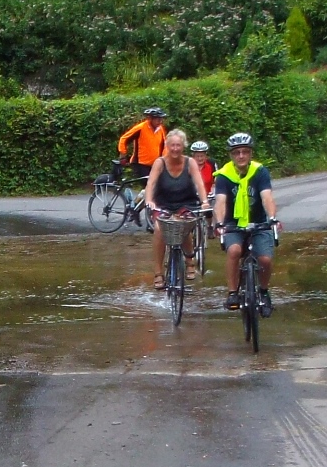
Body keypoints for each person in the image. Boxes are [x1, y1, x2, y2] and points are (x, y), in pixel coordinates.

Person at [214, 132, 281, 315]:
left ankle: (264, 292)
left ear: (251, 153)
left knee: (265, 259)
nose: (241, 156)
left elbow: (267, 197)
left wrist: (272, 217)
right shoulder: (223, 175)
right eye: (237, 152)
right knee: (234, 251)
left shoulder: (260, 172)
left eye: (245, 152)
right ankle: (233, 292)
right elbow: (220, 201)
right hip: (232, 224)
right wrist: (219, 223)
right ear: (231, 155)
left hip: (258, 222)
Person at [145, 129, 211, 290]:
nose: (175, 149)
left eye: (178, 145)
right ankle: (158, 272)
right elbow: (151, 184)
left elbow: (199, 184)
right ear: (167, 146)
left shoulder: (190, 162)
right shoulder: (160, 163)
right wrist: (149, 201)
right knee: (160, 230)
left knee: (184, 225)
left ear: (183, 146)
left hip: (186, 203)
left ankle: (189, 261)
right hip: (163, 204)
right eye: (172, 145)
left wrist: (204, 201)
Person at [118, 107, 167, 180]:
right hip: (140, 164)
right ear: (150, 118)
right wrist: (123, 155)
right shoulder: (140, 128)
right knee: (149, 186)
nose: (160, 121)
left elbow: (164, 146)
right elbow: (124, 139)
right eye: (158, 119)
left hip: (155, 164)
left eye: (161, 119)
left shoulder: (160, 129)